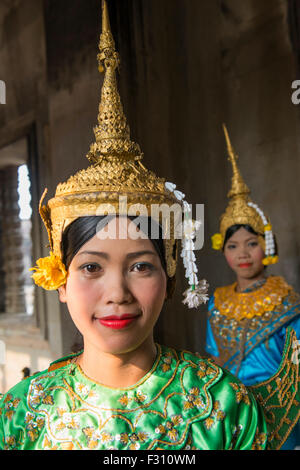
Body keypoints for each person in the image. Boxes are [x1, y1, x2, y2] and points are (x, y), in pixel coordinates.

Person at [0, 0, 298, 451]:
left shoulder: (222, 406)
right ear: (58, 279)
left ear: (170, 274)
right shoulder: (22, 414)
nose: (117, 293)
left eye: (140, 266)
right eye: (91, 268)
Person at [206, 124, 300, 449]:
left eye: (251, 243)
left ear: (267, 246)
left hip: (283, 414)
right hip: (232, 413)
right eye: (233, 246)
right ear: (223, 251)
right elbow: (215, 361)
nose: (242, 253)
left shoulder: (289, 303)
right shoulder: (216, 303)